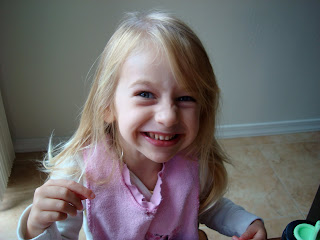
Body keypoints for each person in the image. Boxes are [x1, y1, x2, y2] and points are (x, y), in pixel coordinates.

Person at [17, 10, 267, 240]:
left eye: (186, 98)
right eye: (146, 94)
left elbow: (205, 205)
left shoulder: (193, 160)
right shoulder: (79, 171)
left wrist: (245, 223)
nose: (168, 117)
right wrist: (36, 226)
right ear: (107, 105)